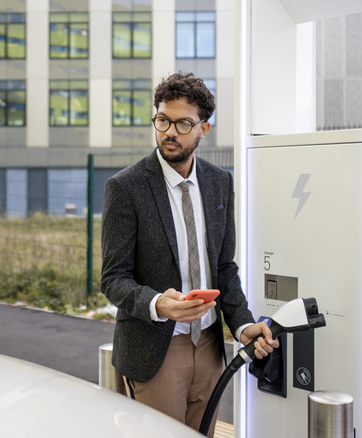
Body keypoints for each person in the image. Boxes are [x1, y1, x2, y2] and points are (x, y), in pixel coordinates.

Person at [100, 71, 278, 436]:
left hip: (211, 348)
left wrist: (243, 325)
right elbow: (113, 278)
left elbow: (224, 268)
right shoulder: (125, 187)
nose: (170, 132)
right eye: (163, 120)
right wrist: (157, 304)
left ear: (203, 129)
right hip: (156, 349)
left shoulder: (219, 182)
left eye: (183, 123)